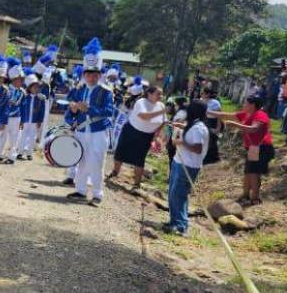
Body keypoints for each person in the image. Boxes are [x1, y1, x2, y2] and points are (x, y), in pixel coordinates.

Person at [66, 39, 114, 207]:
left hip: (98, 131)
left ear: (99, 75)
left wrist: (89, 109)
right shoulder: (79, 90)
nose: (91, 77)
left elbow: (109, 111)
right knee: (82, 160)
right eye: (88, 74)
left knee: (96, 162)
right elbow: (69, 110)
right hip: (81, 130)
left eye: (95, 74)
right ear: (84, 74)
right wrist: (73, 110)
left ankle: (97, 194)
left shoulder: (106, 92)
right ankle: (80, 190)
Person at [210, 95, 276, 205]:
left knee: (253, 172)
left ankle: (255, 198)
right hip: (254, 148)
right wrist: (208, 111)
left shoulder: (260, 114)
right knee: (249, 171)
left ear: (252, 105)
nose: (243, 105)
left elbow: (254, 129)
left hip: (262, 147)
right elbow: (225, 115)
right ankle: (245, 195)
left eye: (245, 103)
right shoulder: (246, 114)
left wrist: (235, 125)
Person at [107, 85, 165, 189]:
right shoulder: (141, 102)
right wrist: (161, 112)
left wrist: (157, 135)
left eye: (161, 94)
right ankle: (115, 172)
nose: (161, 96)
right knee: (121, 152)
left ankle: (137, 184)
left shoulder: (161, 105)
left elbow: (163, 121)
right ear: (149, 94)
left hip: (147, 136)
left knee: (140, 159)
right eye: (158, 94)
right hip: (131, 131)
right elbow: (144, 116)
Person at [165, 100, 209, 236]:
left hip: (188, 166)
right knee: (173, 193)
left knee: (179, 195)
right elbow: (186, 128)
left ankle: (181, 226)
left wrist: (181, 142)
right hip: (179, 161)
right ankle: (174, 221)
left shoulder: (198, 128)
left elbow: (197, 148)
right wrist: (177, 126)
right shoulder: (193, 124)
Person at [1, 58, 25, 163]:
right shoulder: (6, 90)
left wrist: (23, 120)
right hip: (6, 117)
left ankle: (12, 157)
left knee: (14, 138)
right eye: (20, 79)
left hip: (16, 118)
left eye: (22, 80)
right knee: (2, 136)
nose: (21, 82)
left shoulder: (22, 92)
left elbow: (23, 107)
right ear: (14, 79)